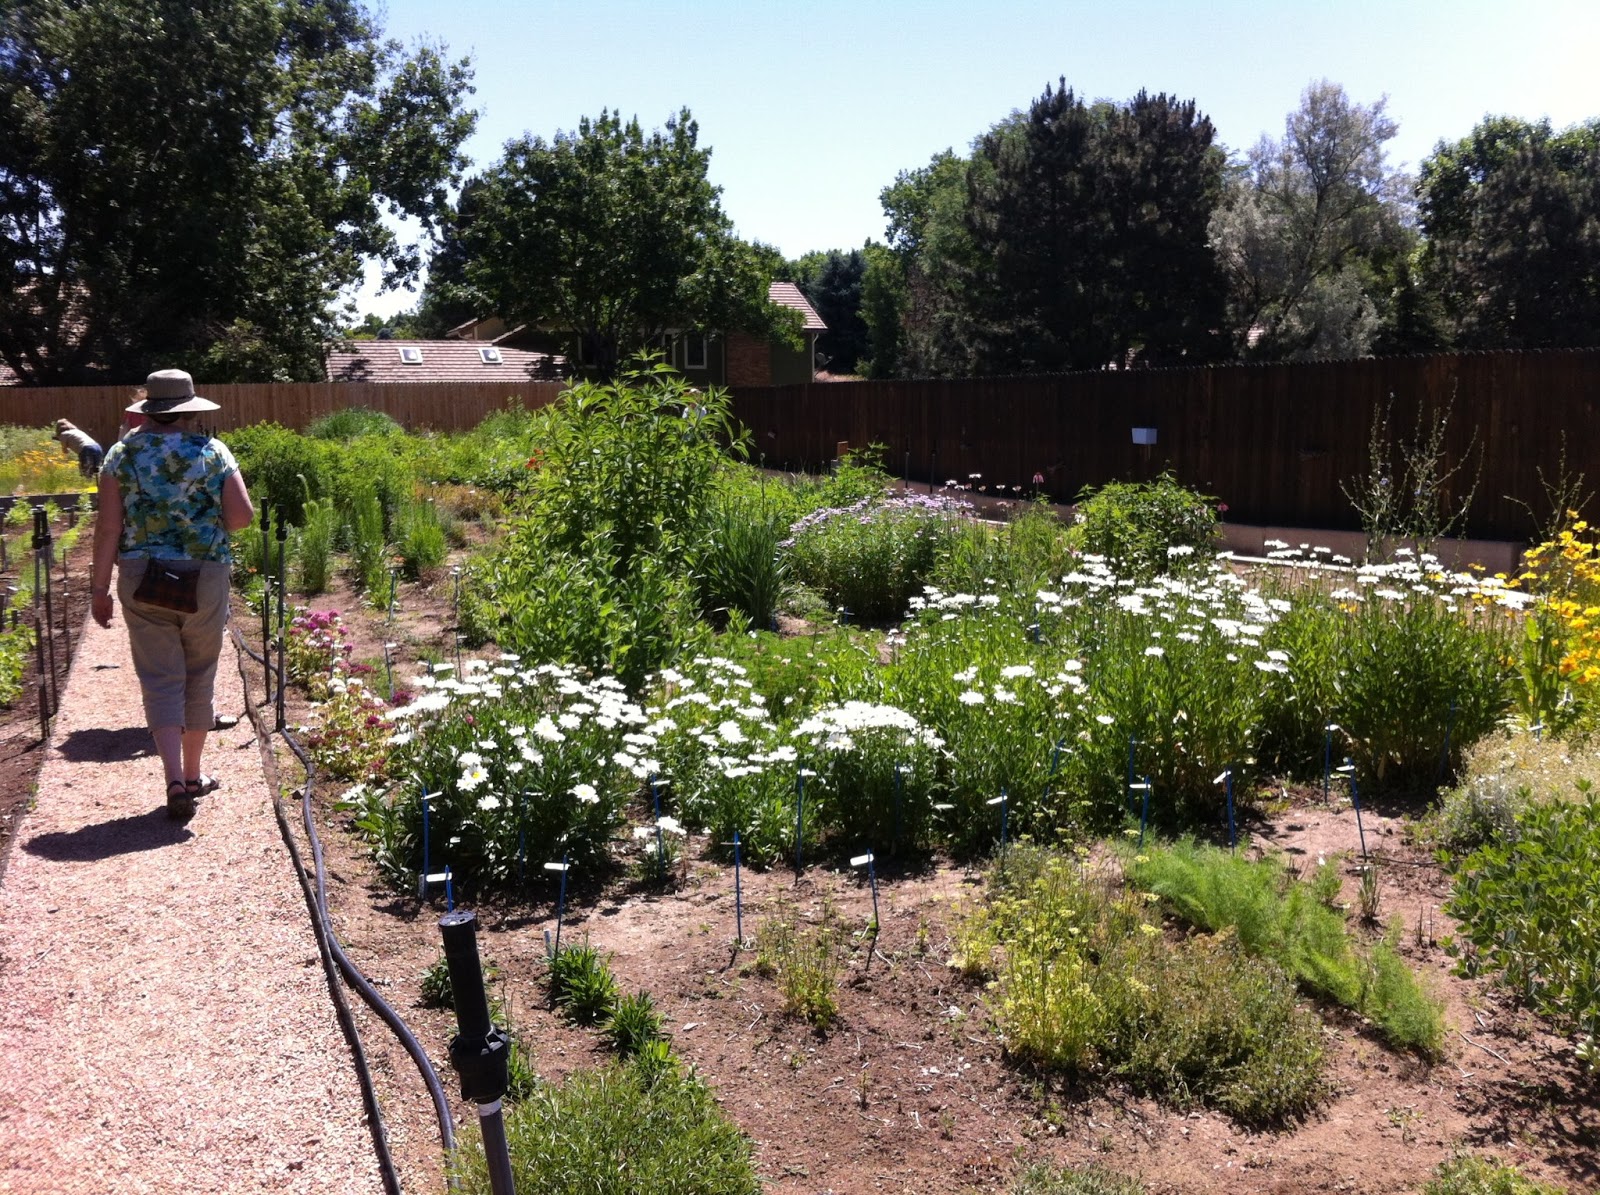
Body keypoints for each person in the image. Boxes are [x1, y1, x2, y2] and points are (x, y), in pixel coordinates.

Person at [91, 370, 255, 819]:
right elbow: (241, 518)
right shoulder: (213, 452)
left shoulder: (120, 455)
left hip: (143, 576)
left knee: (160, 677)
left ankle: (172, 778)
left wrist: (98, 589)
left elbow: (107, 527)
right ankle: (195, 774)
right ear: (188, 409)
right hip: (203, 572)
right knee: (200, 673)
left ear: (148, 407)